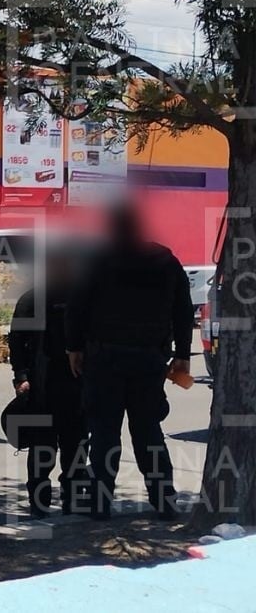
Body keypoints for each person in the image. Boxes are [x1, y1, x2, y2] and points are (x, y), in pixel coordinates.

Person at [65, 204, 194, 520]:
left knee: (104, 432)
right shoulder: (165, 261)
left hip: (104, 359)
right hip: (149, 359)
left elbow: (76, 308)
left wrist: (73, 349)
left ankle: (100, 503)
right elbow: (183, 310)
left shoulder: (98, 260)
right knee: (148, 430)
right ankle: (164, 499)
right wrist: (183, 355)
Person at [8, 246, 91, 517]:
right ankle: (39, 502)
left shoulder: (82, 300)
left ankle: (72, 499)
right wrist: (21, 377)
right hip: (42, 388)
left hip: (77, 387)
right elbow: (17, 342)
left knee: (76, 447)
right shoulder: (32, 300)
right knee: (43, 449)